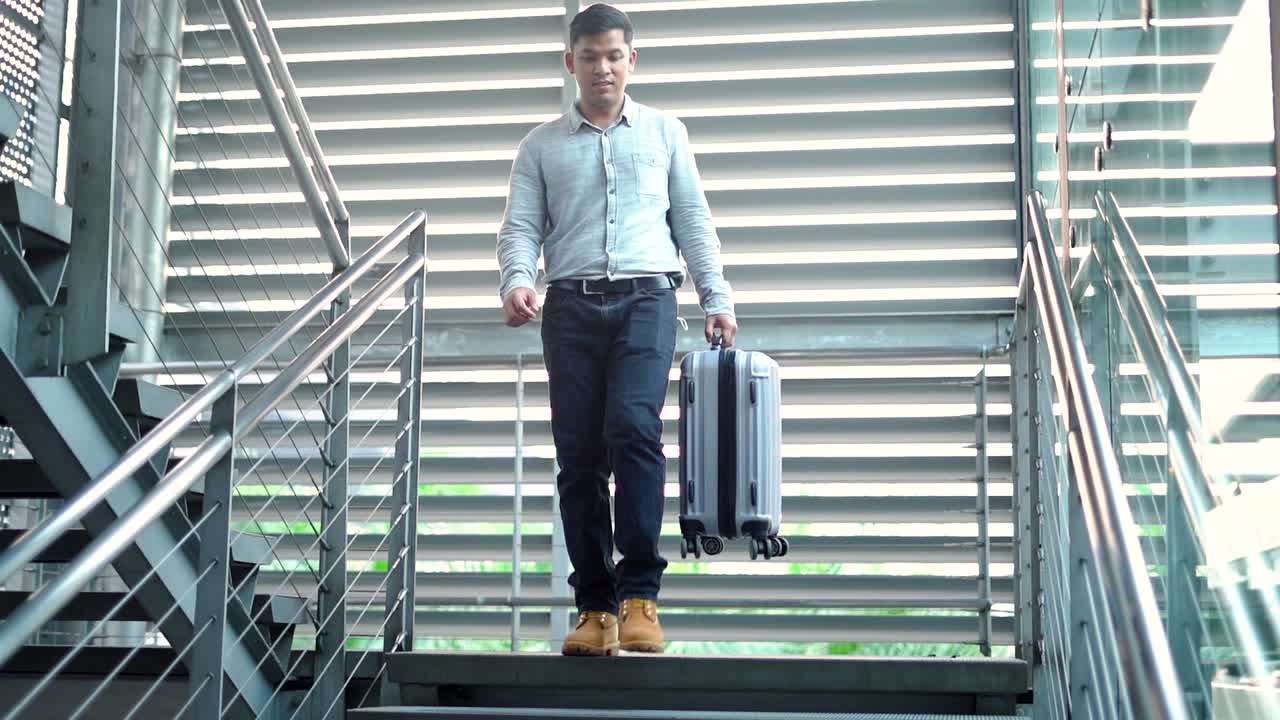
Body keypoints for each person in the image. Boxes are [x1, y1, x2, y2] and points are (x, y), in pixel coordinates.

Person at [496, 3, 736, 656]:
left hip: (647, 300)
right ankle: (594, 609)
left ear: (632, 59)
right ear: (569, 63)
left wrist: (716, 297)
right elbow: (521, 226)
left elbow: (692, 219)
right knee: (578, 458)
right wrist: (517, 280)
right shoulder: (540, 145)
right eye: (589, 56)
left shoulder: (665, 133)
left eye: (613, 55)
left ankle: (640, 598)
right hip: (570, 308)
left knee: (632, 430)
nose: (602, 67)